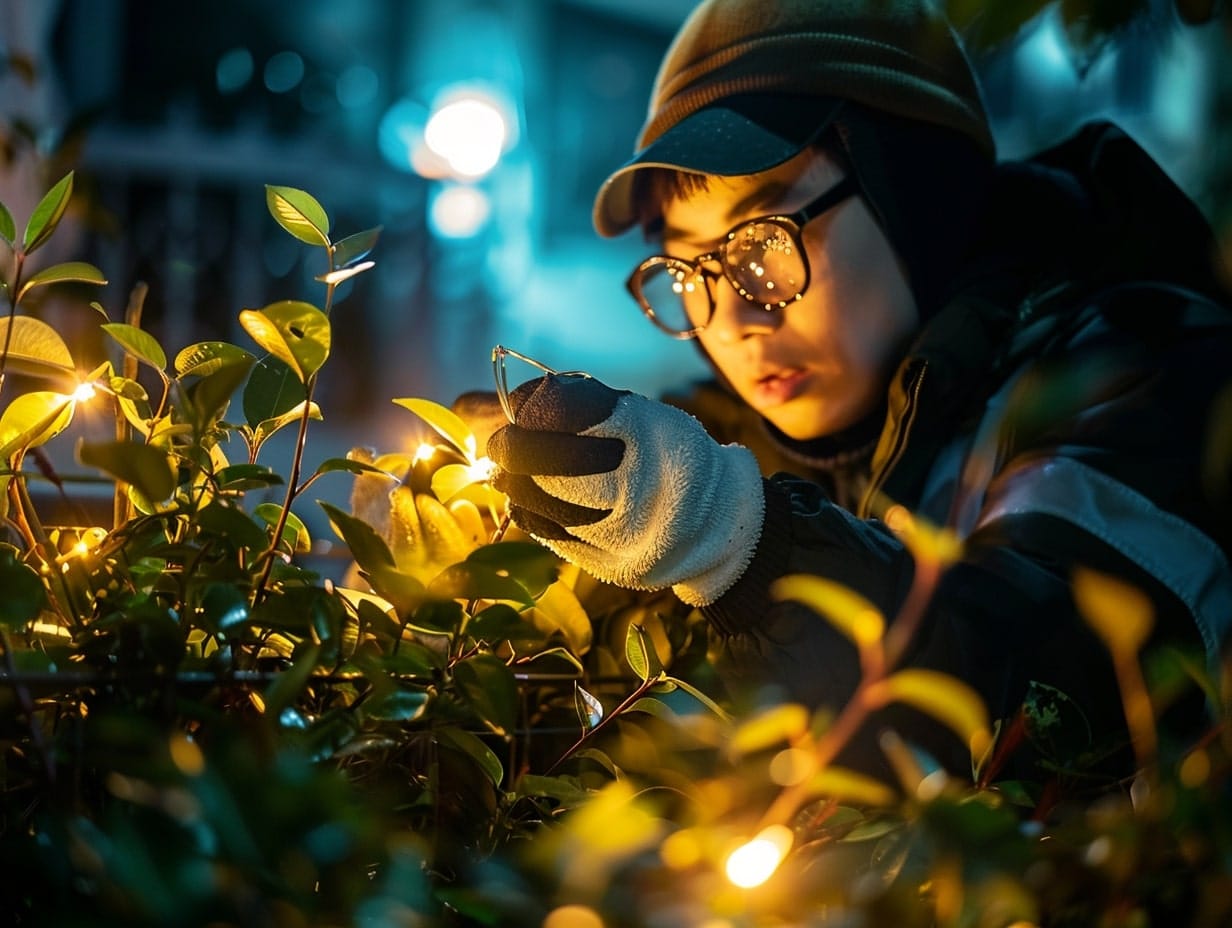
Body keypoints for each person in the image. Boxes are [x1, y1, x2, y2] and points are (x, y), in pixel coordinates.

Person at [486, 0, 1232, 779]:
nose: (732, 318)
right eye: (688, 270)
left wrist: (736, 536)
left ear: (914, 195)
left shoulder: (1143, 376)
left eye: (762, 244)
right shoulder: (787, 421)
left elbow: (1045, 702)